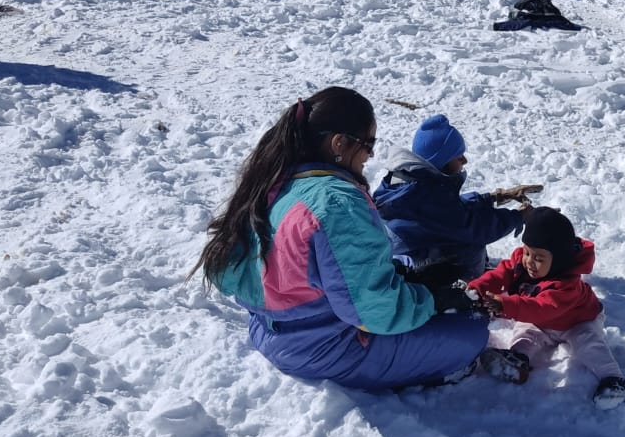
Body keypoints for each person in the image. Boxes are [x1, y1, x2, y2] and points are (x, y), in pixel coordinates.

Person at [195, 87, 529, 390]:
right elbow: (375, 314)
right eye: (368, 144)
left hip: (271, 329)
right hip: (324, 348)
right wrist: (433, 300)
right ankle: (449, 369)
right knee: (471, 330)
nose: (369, 156)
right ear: (339, 143)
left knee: (410, 265)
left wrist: (410, 276)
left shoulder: (278, 181)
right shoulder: (337, 202)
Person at [471, 207, 625, 407]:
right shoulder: (523, 264)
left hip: (578, 321)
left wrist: (504, 304)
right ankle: (518, 359)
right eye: (526, 252)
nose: (529, 262)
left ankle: (614, 380)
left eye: (539, 258)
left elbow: (543, 308)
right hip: (540, 322)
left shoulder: (567, 284)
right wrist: (475, 289)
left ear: (558, 259)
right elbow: (500, 275)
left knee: (588, 344)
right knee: (525, 331)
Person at [373, 114, 540, 281]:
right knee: (470, 244)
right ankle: (463, 290)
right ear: (441, 159)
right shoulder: (430, 195)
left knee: (460, 234)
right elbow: (475, 228)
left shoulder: (410, 180)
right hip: (415, 267)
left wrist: (492, 197)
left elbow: (452, 211)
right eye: (458, 155)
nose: (464, 160)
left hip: (405, 251)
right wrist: (518, 216)